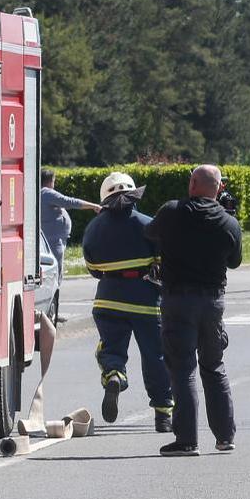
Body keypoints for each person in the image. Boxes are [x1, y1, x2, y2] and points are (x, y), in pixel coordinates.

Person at [144, 165, 242, 457]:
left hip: (178, 300)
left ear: (193, 184)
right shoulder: (228, 223)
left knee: (183, 369)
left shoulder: (171, 212)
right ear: (219, 188)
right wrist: (227, 216)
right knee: (214, 367)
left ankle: (187, 440)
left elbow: (149, 232)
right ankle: (224, 436)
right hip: (212, 302)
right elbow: (235, 261)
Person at [82, 172, 173, 432]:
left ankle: (114, 375)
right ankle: (163, 413)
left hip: (108, 299)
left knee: (111, 348)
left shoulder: (93, 228)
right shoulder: (149, 224)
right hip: (145, 300)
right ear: (133, 196)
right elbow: (163, 261)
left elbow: (93, 268)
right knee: (155, 355)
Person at [40, 168, 100, 304]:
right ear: (50, 181)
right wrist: (94, 206)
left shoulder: (40, 194)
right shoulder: (47, 193)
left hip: (51, 240)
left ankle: (52, 307)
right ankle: (53, 307)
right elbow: (70, 202)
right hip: (53, 241)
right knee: (56, 275)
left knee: (53, 274)